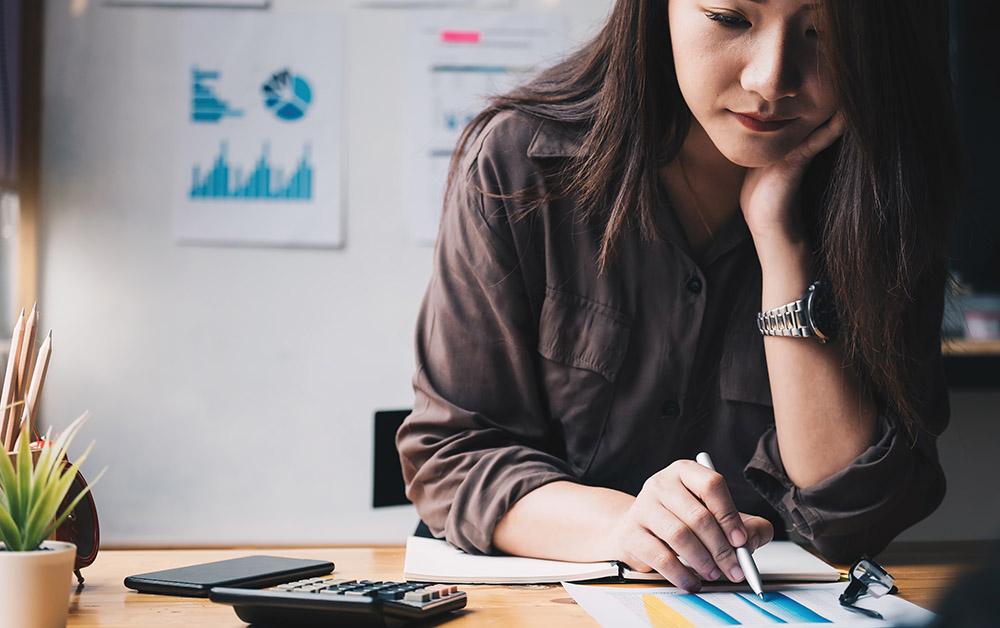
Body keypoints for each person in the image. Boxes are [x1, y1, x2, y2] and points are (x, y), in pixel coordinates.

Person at [397, 0, 961, 593]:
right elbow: (454, 456)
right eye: (729, 18)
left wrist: (781, 244)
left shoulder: (889, 192)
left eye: (824, 34)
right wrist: (628, 527)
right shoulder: (522, 163)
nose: (770, 80)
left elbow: (854, 520)